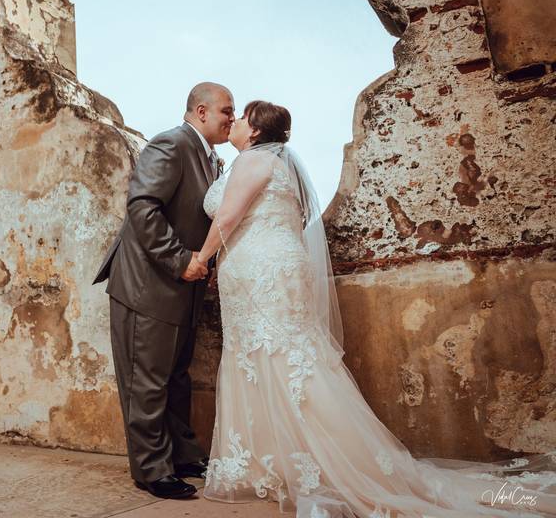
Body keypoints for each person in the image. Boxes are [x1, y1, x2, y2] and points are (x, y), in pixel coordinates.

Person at [197, 99, 556, 517]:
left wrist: (202, 259)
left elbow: (228, 216)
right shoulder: (282, 167)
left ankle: (314, 463)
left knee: (276, 358)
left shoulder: (254, 161)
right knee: (277, 358)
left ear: (256, 132)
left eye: (241, 117)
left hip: (260, 272)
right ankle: (276, 461)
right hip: (269, 267)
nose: (236, 121)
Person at [93, 82, 234, 499]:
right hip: (147, 284)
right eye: (227, 110)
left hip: (184, 287)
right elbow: (142, 206)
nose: (232, 118)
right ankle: (151, 469)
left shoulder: (212, 160)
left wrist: (205, 264)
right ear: (201, 111)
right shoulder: (171, 143)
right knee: (146, 381)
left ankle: (184, 455)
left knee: (176, 377)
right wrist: (179, 259)